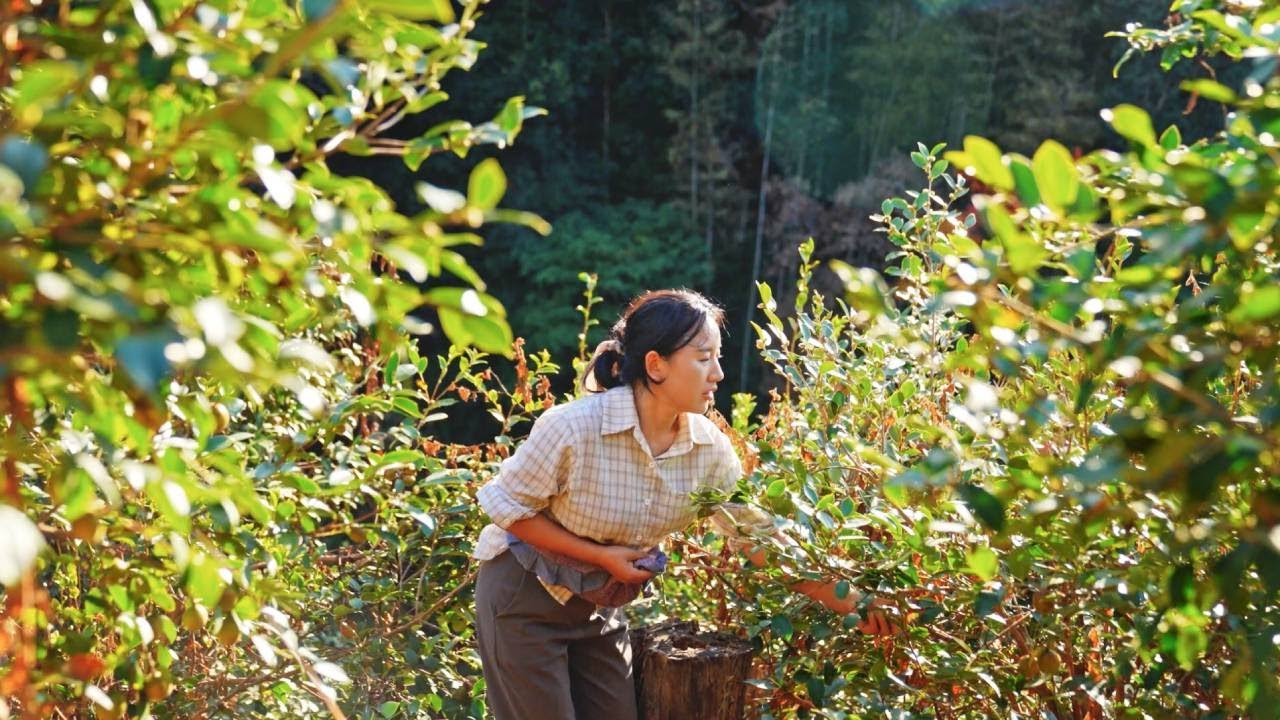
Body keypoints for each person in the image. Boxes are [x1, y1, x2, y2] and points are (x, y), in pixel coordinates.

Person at [472, 289, 891, 720]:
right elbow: (508, 510)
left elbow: (758, 538)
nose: (719, 374)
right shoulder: (574, 428)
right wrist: (600, 555)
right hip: (523, 596)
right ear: (656, 366)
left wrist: (851, 601)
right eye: (704, 357)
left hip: (598, 604)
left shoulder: (708, 449)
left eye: (718, 357)